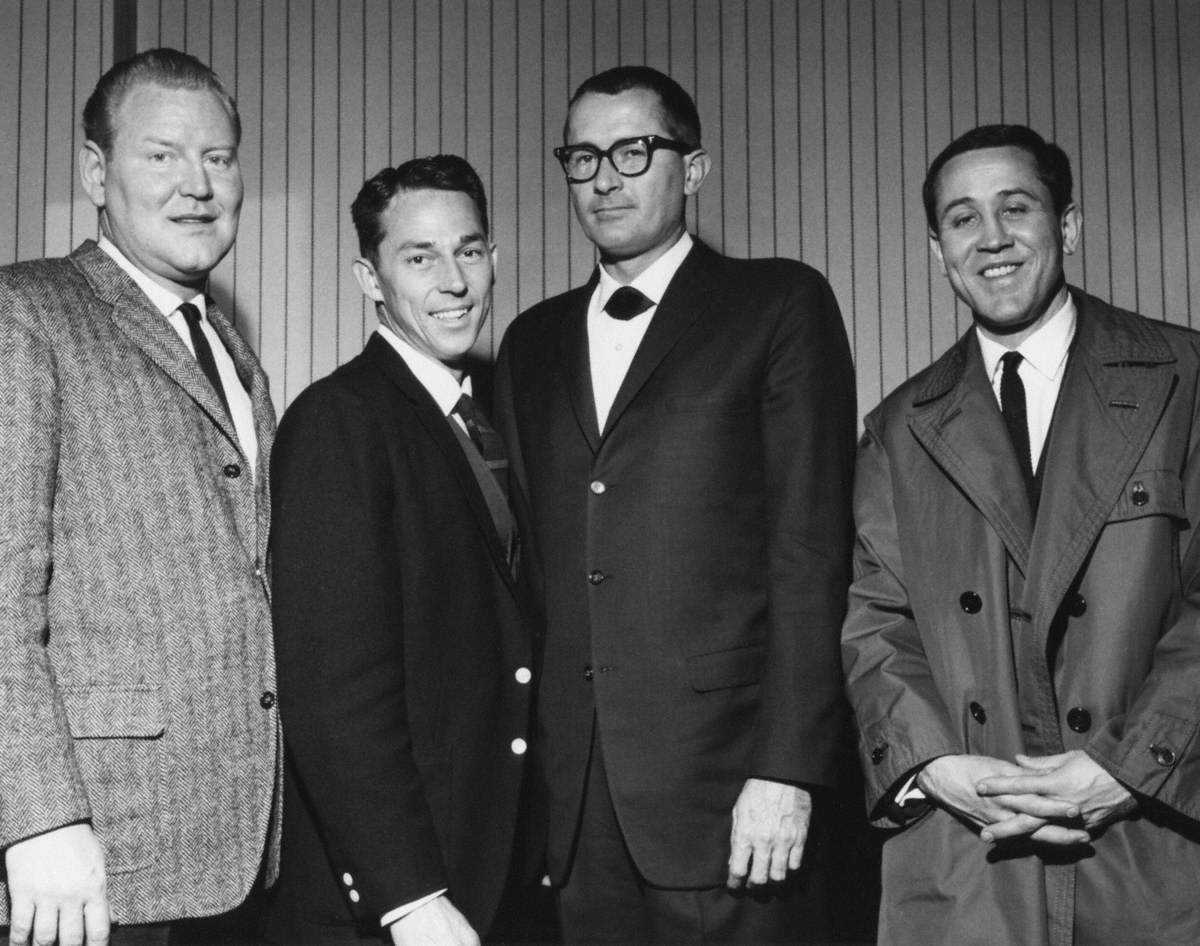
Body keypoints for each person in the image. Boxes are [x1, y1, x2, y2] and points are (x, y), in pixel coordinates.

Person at [494, 65, 857, 943]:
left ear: (692, 170)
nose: (605, 178)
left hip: (731, 798)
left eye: (633, 150)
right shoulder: (529, 341)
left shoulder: (777, 304)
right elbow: (528, 575)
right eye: (583, 157)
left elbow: (811, 552)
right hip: (573, 811)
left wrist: (787, 772)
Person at [842, 123, 1200, 946]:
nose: (992, 238)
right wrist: (940, 770)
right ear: (938, 251)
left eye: (1015, 208)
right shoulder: (897, 429)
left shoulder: (1182, 380)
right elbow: (876, 623)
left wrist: (1128, 767)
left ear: (1066, 226)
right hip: (970, 865)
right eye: (962, 219)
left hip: (1154, 847)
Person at [0, 48, 279, 945]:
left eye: (219, 158)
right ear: (95, 171)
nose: (198, 184)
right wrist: (35, 818)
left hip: (234, 855)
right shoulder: (27, 313)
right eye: (162, 155)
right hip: (89, 860)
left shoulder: (236, 354)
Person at [265, 155, 536, 946]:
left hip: (489, 868)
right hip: (399, 899)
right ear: (370, 278)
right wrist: (408, 894)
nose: (454, 280)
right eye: (419, 257)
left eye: (470, 250)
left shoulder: (488, 419)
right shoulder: (338, 422)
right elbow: (333, 688)